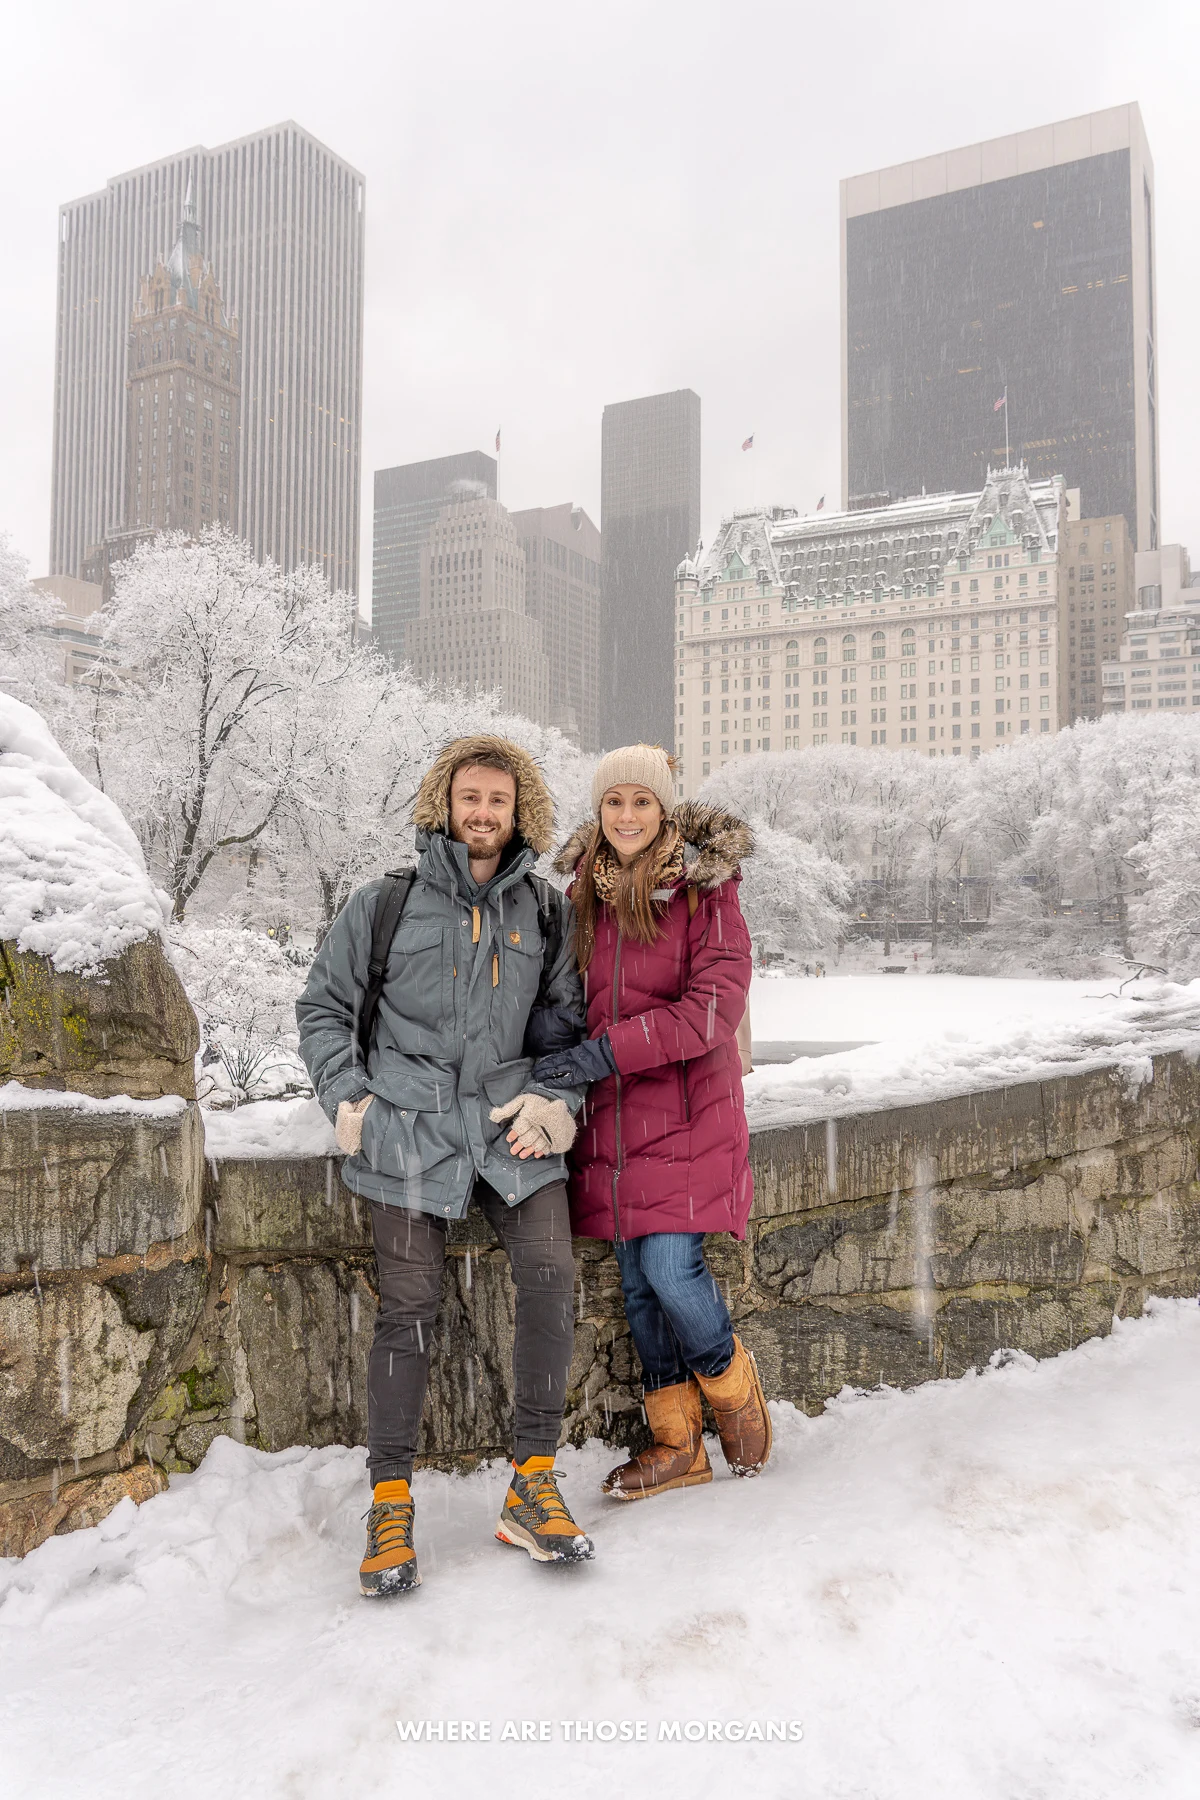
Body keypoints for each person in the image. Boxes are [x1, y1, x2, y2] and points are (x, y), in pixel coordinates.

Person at [296, 735, 593, 1597]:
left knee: (549, 1279)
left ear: (517, 811)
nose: (483, 812)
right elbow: (323, 1006)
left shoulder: (545, 913)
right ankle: (390, 1500)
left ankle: (532, 1481)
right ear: (445, 802)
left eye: (498, 800)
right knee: (410, 1310)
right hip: (407, 1137)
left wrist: (556, 1103)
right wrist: (347, 1099)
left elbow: (564, 1031)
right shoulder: (384, 904)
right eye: (470, 796)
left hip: (510, 1132)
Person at [532, 744, 771, 1502]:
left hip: (690, 1114)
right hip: (615, 1124)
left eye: (642, 801)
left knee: (671, 1268)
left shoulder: (705, 891)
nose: (628, 815)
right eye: (614, 803)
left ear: (664, 808)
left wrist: (603, 1054)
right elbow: (565, 1001)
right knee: (638, 1287)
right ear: (598, 814)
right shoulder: (582, 896)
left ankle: (733, 1388)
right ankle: (678, 1444)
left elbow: (712, 1008)